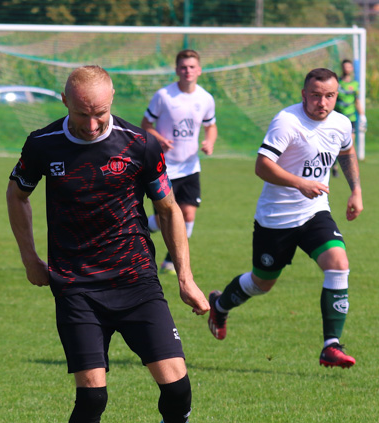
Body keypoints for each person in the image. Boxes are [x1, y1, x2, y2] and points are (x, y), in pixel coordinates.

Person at [6, 65, 220, 423]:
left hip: (136, 280)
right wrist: (29, 258)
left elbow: (167, 208)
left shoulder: (139, 145)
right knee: (93, 394)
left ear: (112, 102)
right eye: (82, 113)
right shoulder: (43, 145)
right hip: (76, 285)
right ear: (65, 102)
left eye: (100, 112)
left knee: (178, 386)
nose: (91, 123)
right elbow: (17, 194)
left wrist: (185, 277)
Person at [207, 68, 364, 369]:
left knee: (338, 263)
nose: (322, 102)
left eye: (329, 96)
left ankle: (331, 346)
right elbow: (262, 166)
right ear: (304, 94)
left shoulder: (341, 123)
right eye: (316, 95)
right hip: (276, 219)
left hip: (314, 212)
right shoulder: (287, 121)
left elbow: (347, 152)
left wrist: (356, 190)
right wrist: (299, 183)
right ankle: (220, 303)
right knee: (261, 283)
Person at [142, 49, 218, 275]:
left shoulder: (205, 98)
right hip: (164, 167)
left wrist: (209, 142)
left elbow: (210, 125)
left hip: (190, 166)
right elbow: (145, 125)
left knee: (188, 214)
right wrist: (159, 139)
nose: (188, 71)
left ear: (200, 70)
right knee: (165, 214)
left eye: (192, 67)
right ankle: (140, 228)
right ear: (177, 70)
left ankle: (170, 260)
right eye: (183, 67)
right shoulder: (164, 96)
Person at [333, 59, 365, 176]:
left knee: (349, 143)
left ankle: (350, 168)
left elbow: (357, 101)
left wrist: (362, 116)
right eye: (345, 67)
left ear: (352, 69)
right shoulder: (337, 83)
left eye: (349, 67)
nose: (347, 69)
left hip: (350, 119)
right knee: (335, 143)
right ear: (342, 68)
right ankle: (334, 165)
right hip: (337, 118)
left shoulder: (355, 85)